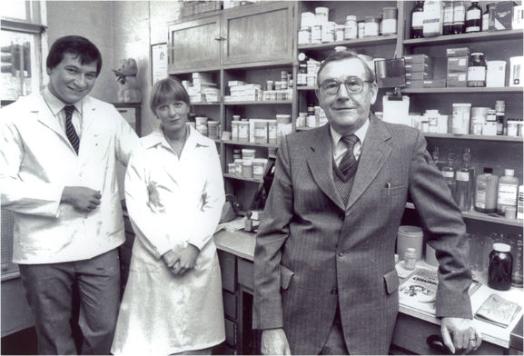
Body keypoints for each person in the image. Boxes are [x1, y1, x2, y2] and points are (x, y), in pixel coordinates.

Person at [253, 50, 482, 355]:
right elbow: (270, 237)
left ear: (373, 91)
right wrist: (270, 324)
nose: (342, 95)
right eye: (331, 86)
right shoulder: (293, 147)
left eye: (353, 84)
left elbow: (448, 228)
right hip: (300, 308)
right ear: (320, 96)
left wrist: (455, 304)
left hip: (369, 313)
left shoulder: (405, 144)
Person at [0, 35, 139, 354]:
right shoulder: (14, 118)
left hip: (100, 243)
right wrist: (62, 194)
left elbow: (140, 158)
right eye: (72, 70)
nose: (81, 82)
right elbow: (2, 185)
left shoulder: (106, 114)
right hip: (44, 248)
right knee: (54, 336)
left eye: (90, 75)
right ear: (50, 67)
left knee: (105, 328)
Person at [111, 78, 226, 355]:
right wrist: (165, 251)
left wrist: (193, 247)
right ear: (155, 111)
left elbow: (214, 202)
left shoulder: (207, 147)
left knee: (196, 341)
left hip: (197, 252)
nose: (172, 112)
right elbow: (137, 207)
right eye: (163, 107)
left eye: (178, 104)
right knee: (152, 340)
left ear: (188, 107)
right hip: (155, 254)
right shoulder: (142, 148)